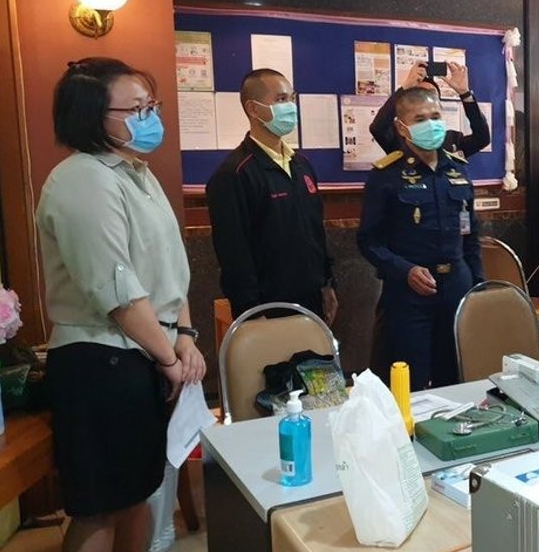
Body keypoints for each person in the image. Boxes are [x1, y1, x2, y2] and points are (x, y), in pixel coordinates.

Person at [36, 58, 205, 552]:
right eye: (134, 109)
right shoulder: (80, 180)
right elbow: (116, 291)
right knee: (98, 507)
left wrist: (184, 337)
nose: (149, 118)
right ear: (92, 115)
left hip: (146, 351)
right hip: (99, 358)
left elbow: (171, 273)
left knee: (137, 489)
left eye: (150, 106)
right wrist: (169, 355)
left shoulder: (136, 172)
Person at [358, 86, 484, 389]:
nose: (431, 124)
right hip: (409, 294)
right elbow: (369, 241)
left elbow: (470, 236)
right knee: (409, 384)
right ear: (402, 128)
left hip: (457, 287)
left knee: (454, 380)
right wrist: (405, 270)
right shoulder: (386, 175)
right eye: (420, 119)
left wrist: (479, 286)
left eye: (436, 116)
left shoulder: (458, 170)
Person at [206, 69, 337, 324]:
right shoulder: (234, 174)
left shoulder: (301, 165)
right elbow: (233, 254)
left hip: (312, 301)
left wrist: (328, 283)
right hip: (268, 309)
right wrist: (252, 313)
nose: (290, 107)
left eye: (291, 98)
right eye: (280, 99)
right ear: (253, 109)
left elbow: (315, 232)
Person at [369, 61, 490, 158]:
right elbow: (378, 128)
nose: (426, 99)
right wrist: (406, 87)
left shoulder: (453, 139)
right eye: (420, 94)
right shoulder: (399, 139)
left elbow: (482, 139)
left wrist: (465, 93)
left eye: (431, 94)